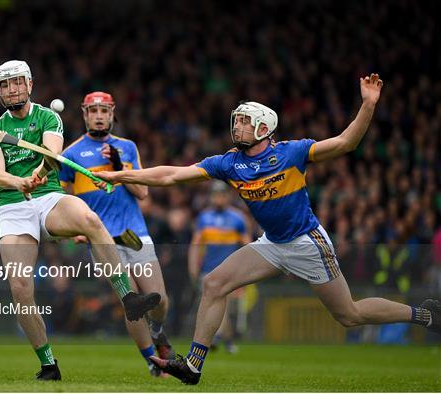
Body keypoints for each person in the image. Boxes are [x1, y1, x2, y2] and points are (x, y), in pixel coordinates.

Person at [93, 74, 441, 384]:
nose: (237, 127)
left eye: (245, 122)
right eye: (237, 121)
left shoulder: (293, 153)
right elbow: (170, 175)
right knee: (214, 283)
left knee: (348, 314)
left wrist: (367, 105)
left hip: (307, 243)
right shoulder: (230, 162)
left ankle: (424, 314)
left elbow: (346, 142)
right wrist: (121, 175)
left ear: (263, 128)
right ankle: (194, 366)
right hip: (272, 244)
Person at [0, 60, 160, 380]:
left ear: (30, 84)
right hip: (12, 206)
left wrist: (36, 175)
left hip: (48, 197)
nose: (13, 89)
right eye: (6, 85)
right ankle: (48, 363)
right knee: (20, 288)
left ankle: (128, 298)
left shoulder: (48, 116)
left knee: (90, 219)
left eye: (18, 83)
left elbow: (51, 156)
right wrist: (18, 182)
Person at [59, 91, 175, 377]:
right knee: (131, 301)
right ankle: (152, 360)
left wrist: (118, 169)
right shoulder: (70, 154)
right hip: (101, 240)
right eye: (93, 111)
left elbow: (143, 192)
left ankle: (157, 330)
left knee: (159, 300)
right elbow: (60, 200)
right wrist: (74, 230)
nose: (99, 116)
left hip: (134, 234)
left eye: (104, 111)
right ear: (85, 114)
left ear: (112, 114)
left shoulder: (127, 148)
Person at [188, 181, 250, 353]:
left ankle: (215, 337)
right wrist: (193, 266)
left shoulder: (238, 218)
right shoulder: (204, 218)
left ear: (228, 196)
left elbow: (248, 246)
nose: (219, 198)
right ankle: (227, 340)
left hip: (229, 270)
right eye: (215, 195)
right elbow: (196, 243)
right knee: (218, 306)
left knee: (223, 304)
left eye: (222, 195)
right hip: (208, 270)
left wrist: (246, 271)